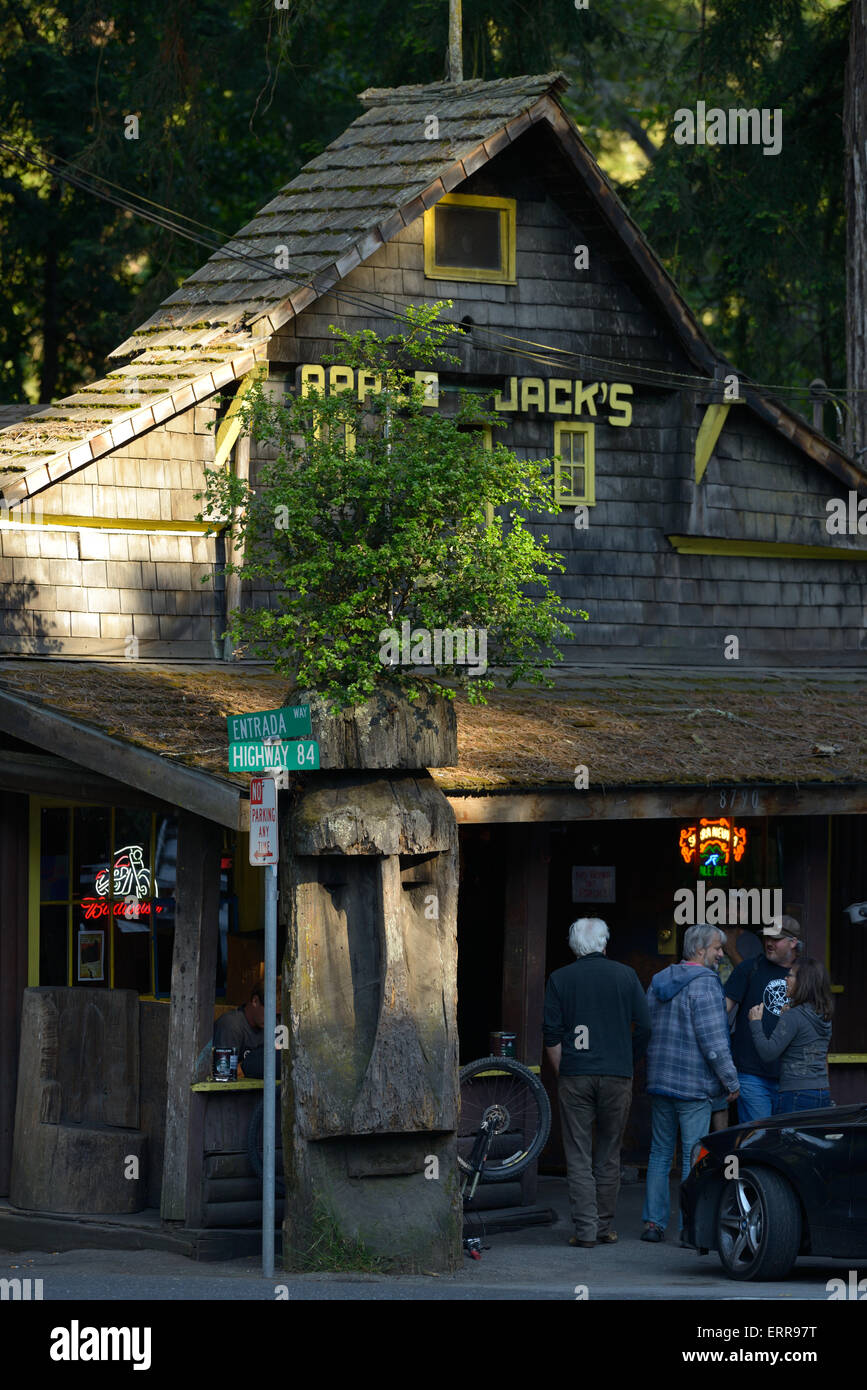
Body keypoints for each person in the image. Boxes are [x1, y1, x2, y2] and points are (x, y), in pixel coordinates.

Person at [543, 917, 651, 1249]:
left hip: (575, 1073)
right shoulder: (626, 975)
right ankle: (604, 1227)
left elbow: (551, 1034)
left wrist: (565, 1070)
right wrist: (626, 1062)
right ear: (605, 944)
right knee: (609, 1153)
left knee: (577, 1155)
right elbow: (645, 1027)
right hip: (617, 1075)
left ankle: (586, 1231)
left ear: (574, 946)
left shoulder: (560, 978)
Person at [641, 924, 739, 1244]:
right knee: (692, 1157)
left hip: (660, 1080)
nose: (721, 954)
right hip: (694, 1084)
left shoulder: (657, 982)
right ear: (699, 951)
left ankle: (653, 1225)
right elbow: (713, 1043)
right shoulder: (707, 984)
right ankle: (690, 1226)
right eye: (716, 948)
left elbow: (644, 1029)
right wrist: (730, 1080)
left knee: (659, 1154)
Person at [725, 915, 802, 1122]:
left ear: (793, 942)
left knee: (789, 1143)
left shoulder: (806, 975)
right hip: (751, 1073)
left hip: (792, 1077)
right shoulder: (749, 968)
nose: (768, 943)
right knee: (757, 1139)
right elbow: (722, 1011)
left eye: (775, 939)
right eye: (766, 937)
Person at [748, 956, 833, 1114]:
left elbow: (768, 1053)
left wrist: (755, 1023)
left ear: (803, 982)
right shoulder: (824, 1015)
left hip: (796, 1094)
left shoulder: (793, 1016)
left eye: (791, 975)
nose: (785, 978)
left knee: (790, 1139)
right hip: (822, 1092)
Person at [213, 980, 282, 1078]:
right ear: (255, 1001)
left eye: (277, 1015)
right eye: (270, 1013)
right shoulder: (231, 1025)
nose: (272, 1019)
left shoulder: (276, 1026)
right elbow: (224, 1073)